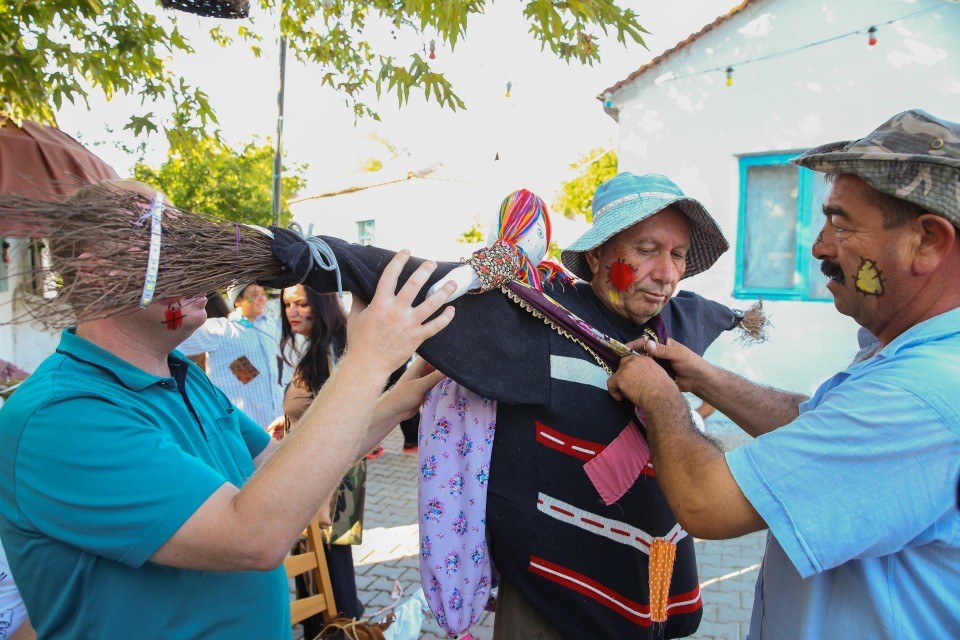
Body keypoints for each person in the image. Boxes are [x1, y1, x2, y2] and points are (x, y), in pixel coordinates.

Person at [276, 172, 756, 639]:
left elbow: (709, 311)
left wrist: (739, 319)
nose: (667, 274)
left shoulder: (675, 323)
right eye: (647, 251)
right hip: (555, 604)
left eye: (678, 255)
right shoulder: (540, 318)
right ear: (595, 256)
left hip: (655, 581)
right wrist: (303, 256)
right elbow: (424, 282)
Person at [0, 179, 457, 638]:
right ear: (97, 272)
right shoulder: (61, 417)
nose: (197, 260)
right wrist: (366, 361)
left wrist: (394, 403)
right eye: (167, 240)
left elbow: (278, 468)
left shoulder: (182, 375)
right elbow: (252, 536)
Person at [607, 109, 960, 639]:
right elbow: (818, 425)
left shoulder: (921, 396)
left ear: (928, 241)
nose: (819, 246)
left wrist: (661, 399)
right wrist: (704, 378)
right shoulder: (907, 355)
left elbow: (707, 502)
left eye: (841, 224)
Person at [278, 283, 364, 634]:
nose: (292, 312)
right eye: (287, 304)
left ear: (319, 303)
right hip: (327, 474)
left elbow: (340, 417)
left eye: (301, 303)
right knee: (325, 566)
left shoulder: (331, 348)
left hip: (330, 478)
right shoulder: (322, 346)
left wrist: (327, 491)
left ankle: (340, 631)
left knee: (332, 570)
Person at [176, 283, 284, 429]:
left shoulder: (270, 326)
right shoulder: (221, 329)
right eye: (254, 295)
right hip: (242, 427)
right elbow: (177, 341)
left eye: (262, 294)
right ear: (238, 301)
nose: (261, 299)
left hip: (276, 421)